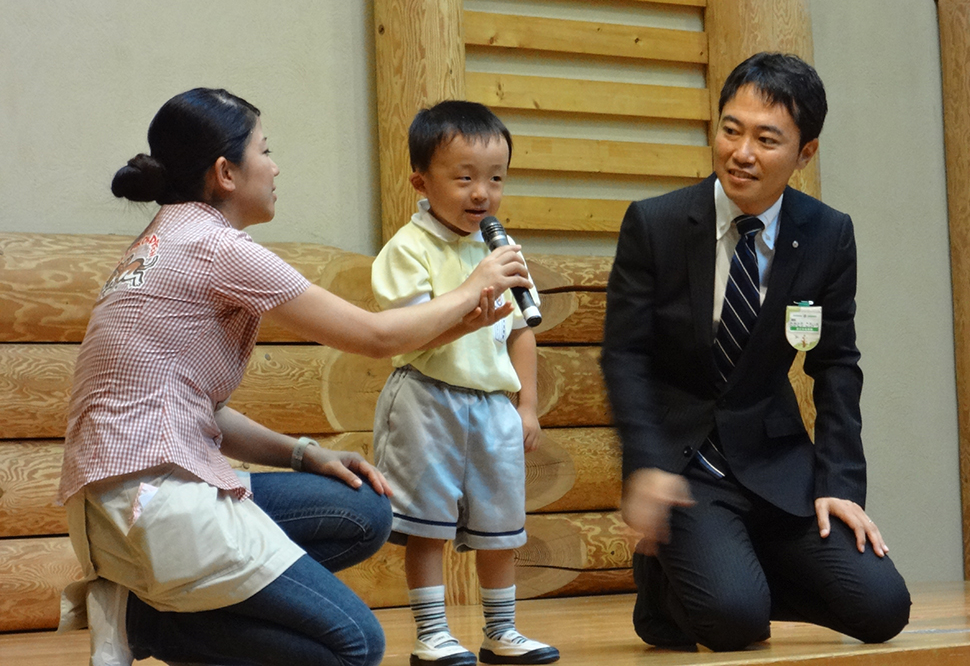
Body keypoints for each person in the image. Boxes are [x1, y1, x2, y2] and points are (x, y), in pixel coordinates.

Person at [57, 88, 531, 666]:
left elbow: (200, 412)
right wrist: (473, 285)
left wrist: (304, 454)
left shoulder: (159, 240)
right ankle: (148, 623)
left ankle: (144, 609)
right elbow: (375, 337)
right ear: (226, 173)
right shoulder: (217, 246)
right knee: (355, 646)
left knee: (364, 511)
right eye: (265, 150)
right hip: (156, 506)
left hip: (113, 504)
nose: (275, 166)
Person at [600, 53, 911, 652]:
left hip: (778, 467)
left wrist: (840, 484)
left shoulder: (827, 233)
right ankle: (679, 585)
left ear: (805, 152)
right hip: (688, 469)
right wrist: (646, 463)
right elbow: (625, 356)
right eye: (730, 130)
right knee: (735, 622)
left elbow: (836, 365)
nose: (741, 153)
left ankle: (726, 572)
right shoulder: (656, 224)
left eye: (766, 140)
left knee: (883, 608)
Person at [370, 100, 559, 666]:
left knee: (502, 526)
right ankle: (431, 634)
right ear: (421, 183)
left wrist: (527, 405)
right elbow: (410, 333)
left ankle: (502, 631)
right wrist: (472, 288)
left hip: (492, 406)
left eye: (496, 179)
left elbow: (521, 332)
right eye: (464, 178)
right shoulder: (408, 249)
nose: (482, 193)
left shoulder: (500, 249)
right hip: (427, 399)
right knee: (427, 525)